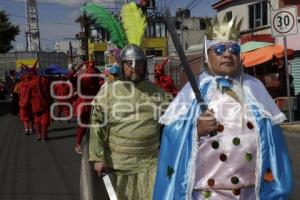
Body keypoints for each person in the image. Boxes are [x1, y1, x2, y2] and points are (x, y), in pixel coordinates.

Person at [153, 16, 293, 199]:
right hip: (207, 193)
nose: (227, 54)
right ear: (207, 55)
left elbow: (275, 146)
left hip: (251, 193)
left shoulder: (254, 87)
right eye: (219, 49)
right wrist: (195, 130)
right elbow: (172, 137)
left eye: (233, 49)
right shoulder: (194, 90)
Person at [88, 44, 169, 200]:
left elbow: (172, 124)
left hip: (149, 164)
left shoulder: (158, 93)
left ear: (144, 65)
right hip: (118, 165)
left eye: (139, 63)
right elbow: (96, 125)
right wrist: (98, 158)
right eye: (129, 63)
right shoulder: (108, 92)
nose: (134, 67)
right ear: (122, 65)